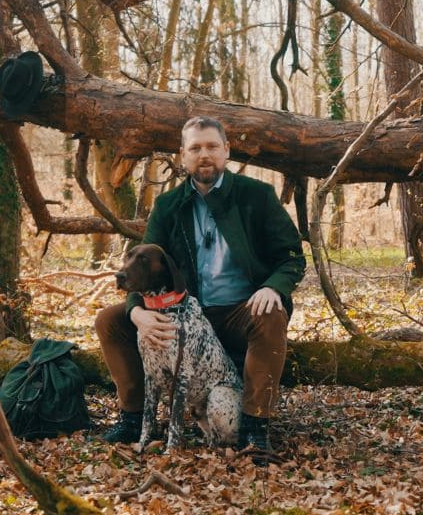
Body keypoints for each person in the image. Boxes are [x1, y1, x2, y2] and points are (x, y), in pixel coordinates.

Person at [95, 116, 306, 451]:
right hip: (184, 315)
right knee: (110, 320)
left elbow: (291, 256)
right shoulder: (168, 205)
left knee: (271, 313)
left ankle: (255, 426)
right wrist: (137, 312)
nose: (204, 154)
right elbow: (143, 265)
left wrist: (273, 287)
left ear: (226, 150)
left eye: (211, 146)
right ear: (183, 155)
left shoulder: (257, 196)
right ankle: (132, 420)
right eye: (195, 148)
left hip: (241, 311)